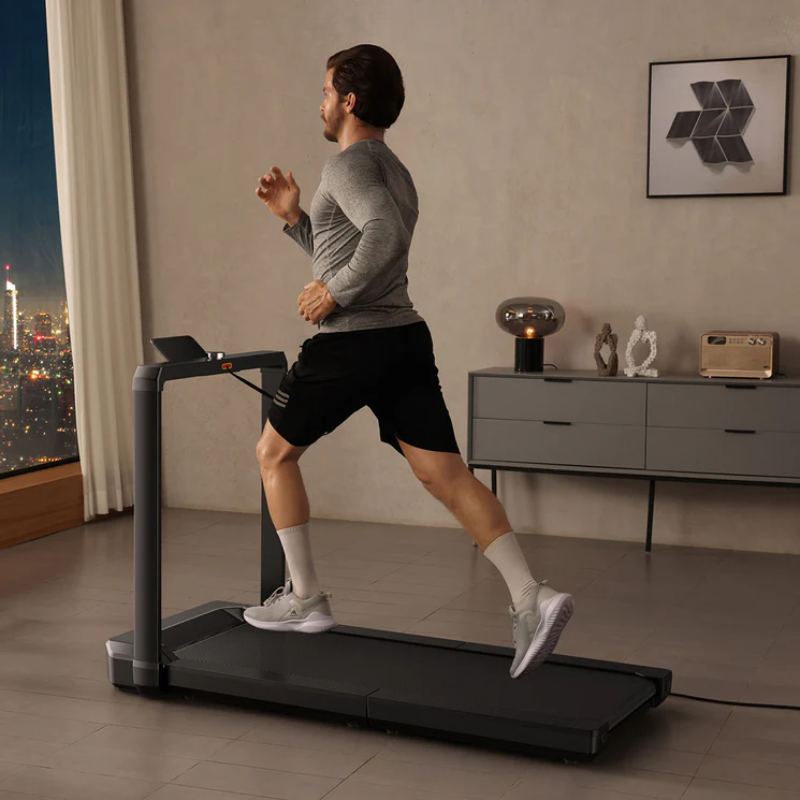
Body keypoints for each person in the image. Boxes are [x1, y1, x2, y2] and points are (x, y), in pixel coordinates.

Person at [246, 44, 573, 679]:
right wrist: (295, 221)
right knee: (445, 476)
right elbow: (355, 249)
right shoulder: (392, 168)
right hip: (402, 340)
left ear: (348, 100)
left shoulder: (346, 165)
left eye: (324, 91)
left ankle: (305, 598)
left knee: (272, 454)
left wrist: (335, 294)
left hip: (352, 343)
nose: (317, 101)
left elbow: (382, 242)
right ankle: (532, 596)